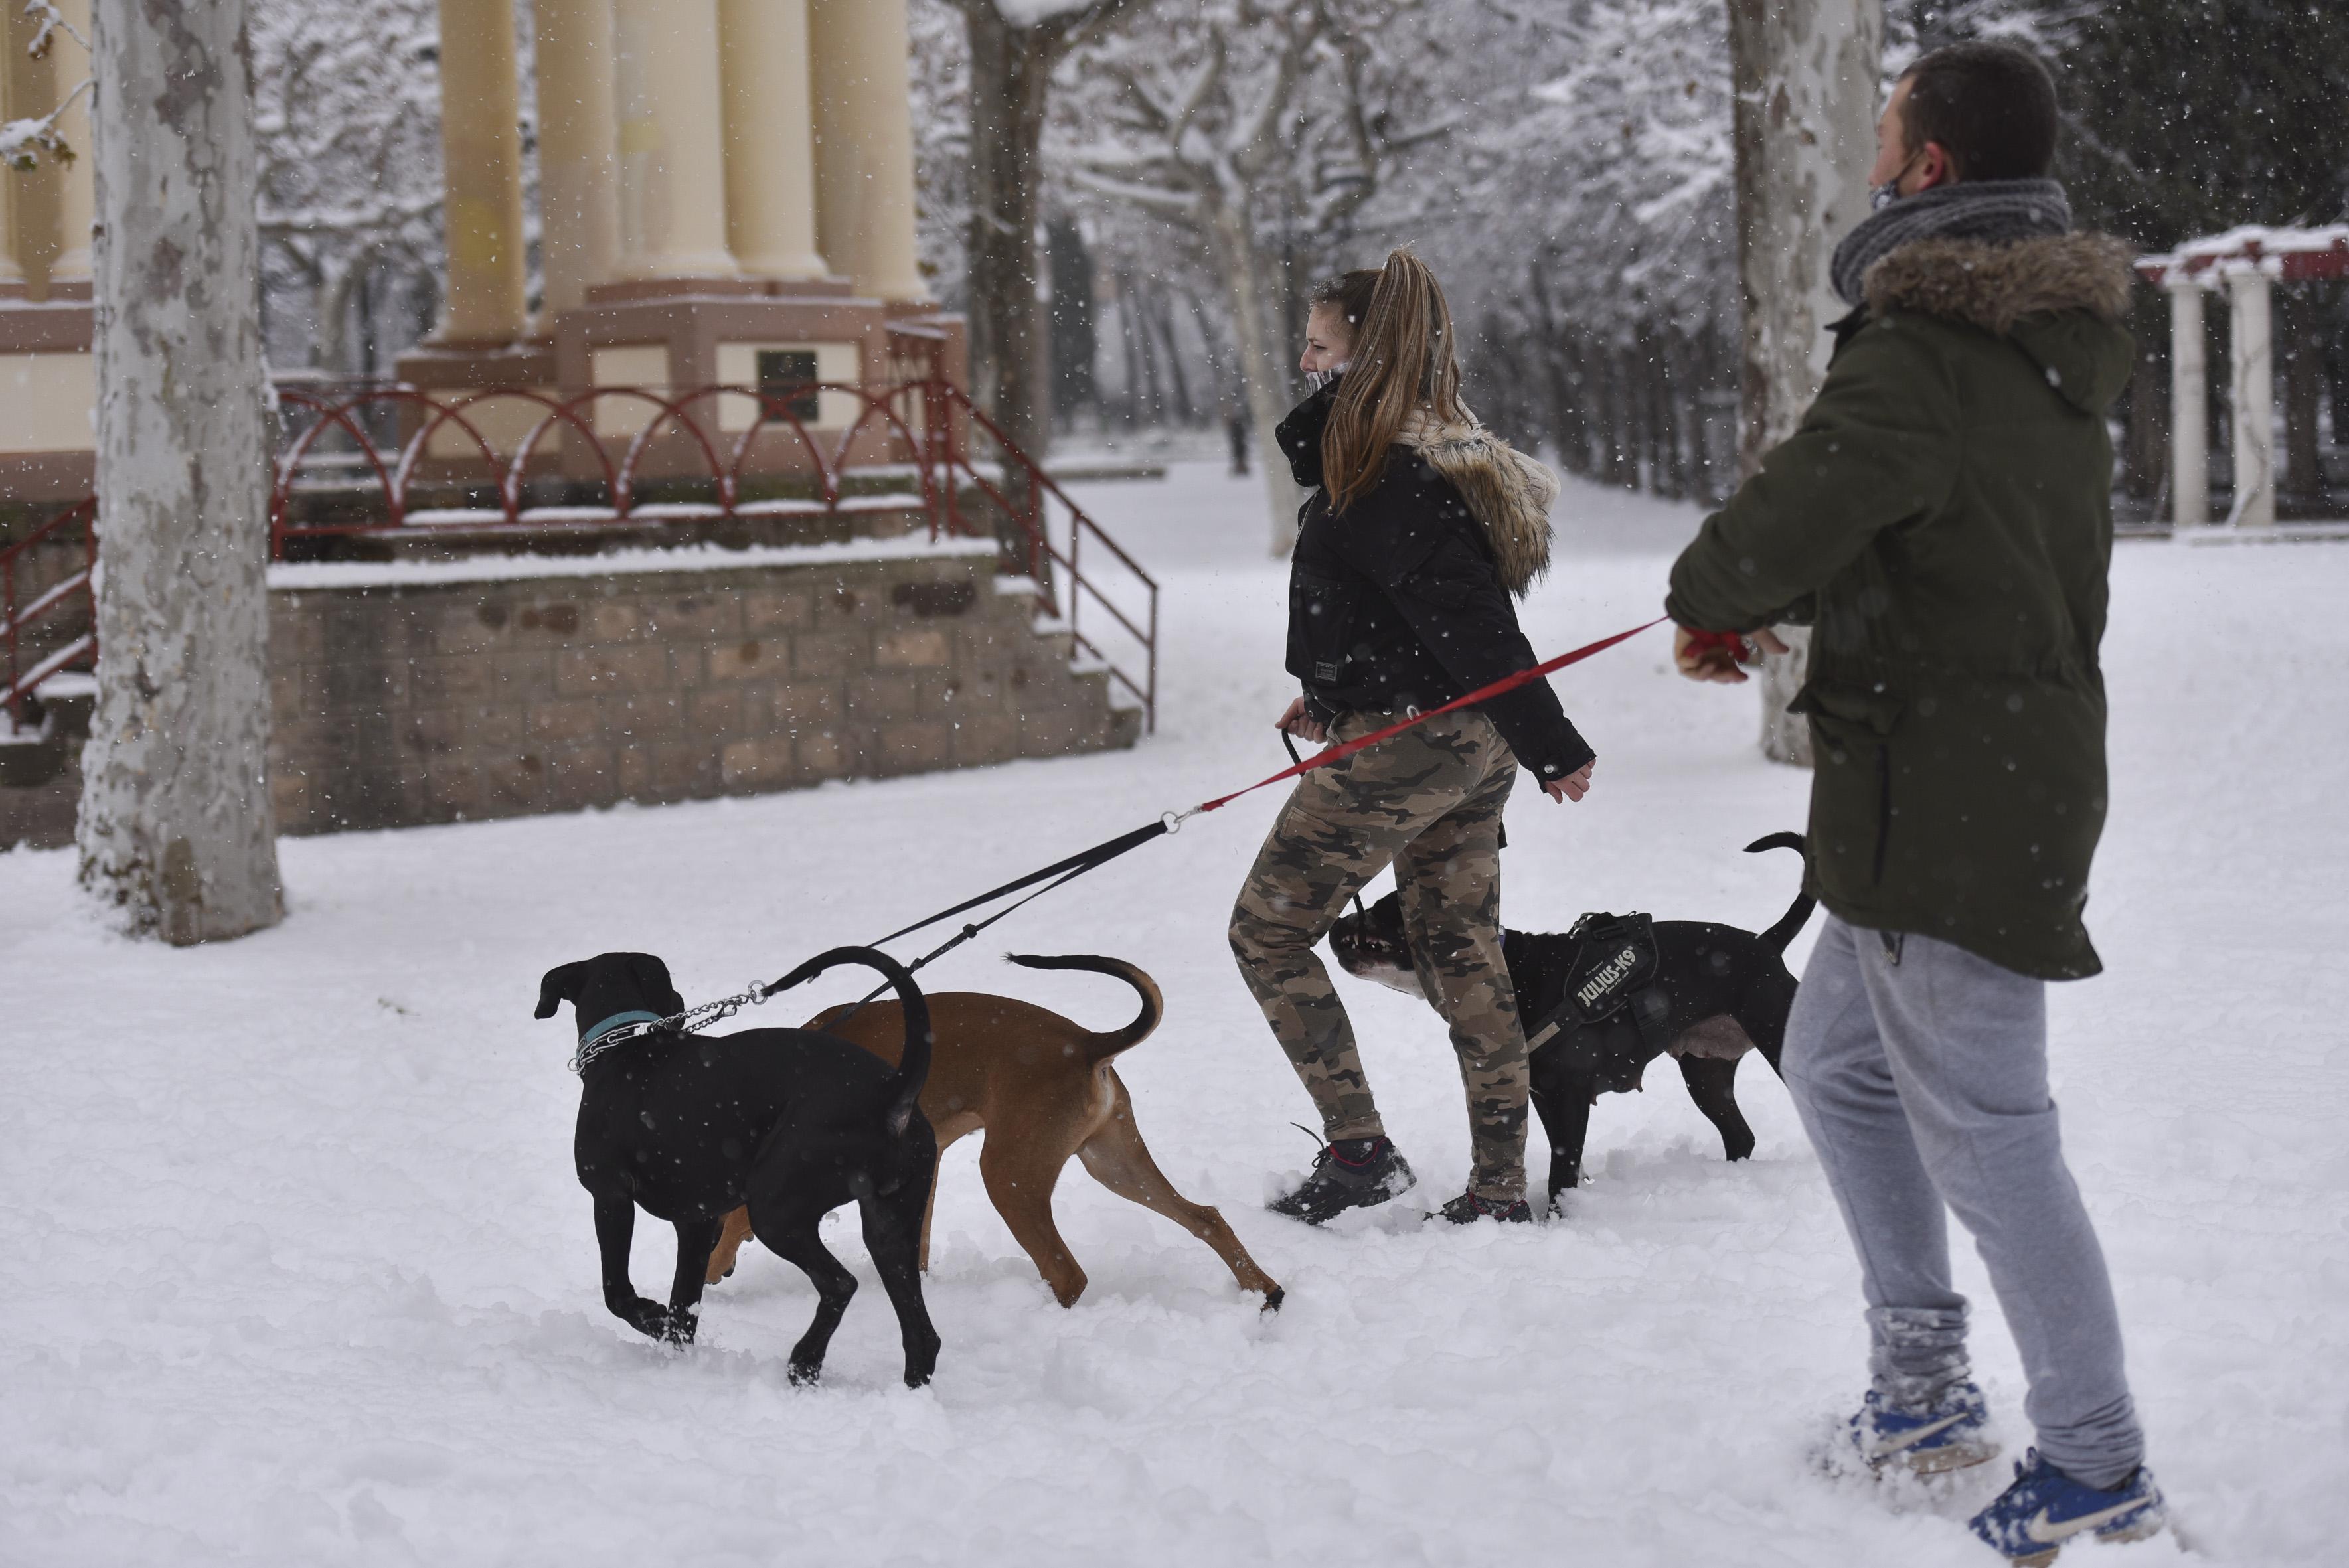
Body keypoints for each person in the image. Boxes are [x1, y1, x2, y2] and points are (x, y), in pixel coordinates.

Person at [1664, 42, 2164, 1563]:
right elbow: (1915, 534)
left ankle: (2092, 1461)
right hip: (1939, 780)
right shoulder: (2031, 340)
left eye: (1886, 127)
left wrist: (1716, 593)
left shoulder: (1925, 346)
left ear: (1927, 165)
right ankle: (1923, 1382)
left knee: (1993, 1131)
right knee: (1835, 1064)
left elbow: (1791, 519)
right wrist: (1784, 595)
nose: (1871, 148)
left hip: (1954, 794)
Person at [1229, 251, 1596, 1227]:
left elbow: (1471, 625)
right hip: (1454, 741)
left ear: (1370, 350)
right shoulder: (1405, 453)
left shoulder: (1388, 468)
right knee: (1456, 946)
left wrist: (1554, 741)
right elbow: (1398, 611)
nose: (1304, 358)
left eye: (1319, 342)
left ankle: (1358, 1151)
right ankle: (1495, 1186)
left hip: (1414, 744)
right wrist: (1326, 691)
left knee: (1266, 931)